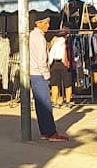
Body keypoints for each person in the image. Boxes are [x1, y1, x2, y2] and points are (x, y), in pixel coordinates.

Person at [29, 12, 69, 141]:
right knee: (45, 105)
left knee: (40, 105)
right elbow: (42, 59)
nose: (48, 26)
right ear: (38, 23)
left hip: (34, 73)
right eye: (46, 23)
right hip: (39, 74)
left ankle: (45, 131)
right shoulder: (39, 38)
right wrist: (46, 75)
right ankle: (51, 132)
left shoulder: (32, 35)